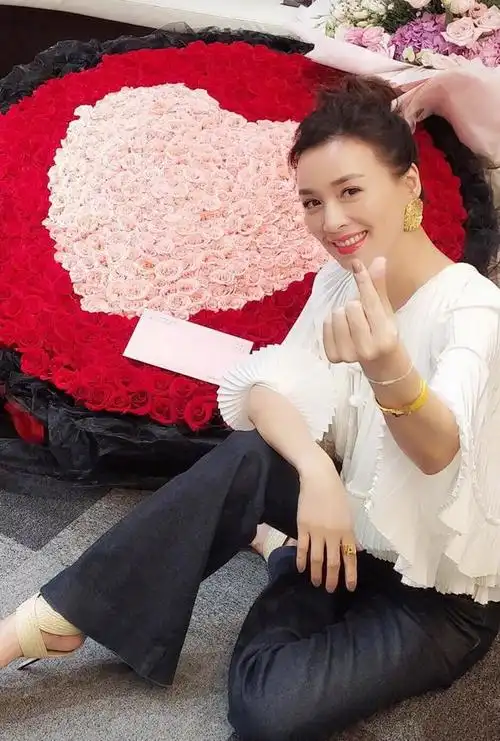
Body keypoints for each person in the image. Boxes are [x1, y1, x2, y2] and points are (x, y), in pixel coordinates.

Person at [1, 75, 500, 741]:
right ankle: (39, 625)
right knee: (250, 455)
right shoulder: (337, 283)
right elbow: (265, 389)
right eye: (313, 201)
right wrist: (315, 472)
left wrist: (390, 370)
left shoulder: (475, 313)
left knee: (267, 712)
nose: (332, 221)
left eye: (351, 191)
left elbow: (438, 450)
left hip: (436, 594)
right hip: (346, 523)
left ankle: (283, 557)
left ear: (409, 185)